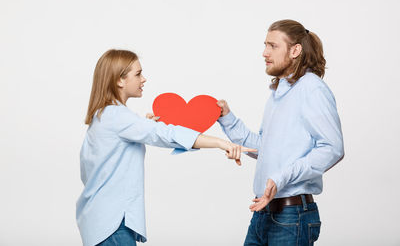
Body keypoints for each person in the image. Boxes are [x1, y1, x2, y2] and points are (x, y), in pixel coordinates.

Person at [76, 49, 255, 246]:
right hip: (112, 226)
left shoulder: (103, 116)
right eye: (138, 74)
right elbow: (167, 135)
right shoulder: (118, 117)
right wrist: (221, 143)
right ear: (120, 80)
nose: (143, 79)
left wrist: (143, 127)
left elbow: (90, 171)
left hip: (98, 222)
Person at [216, 19, 344, 245]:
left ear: (295, 50)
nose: (264, 53)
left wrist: (281, 178)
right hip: (263, 213)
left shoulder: (312, 89)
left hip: (292, 217)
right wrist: (227, 118)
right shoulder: (279, 91)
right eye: (265, 45)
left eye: (273, 46)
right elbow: (264, 148)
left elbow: (332, 148)